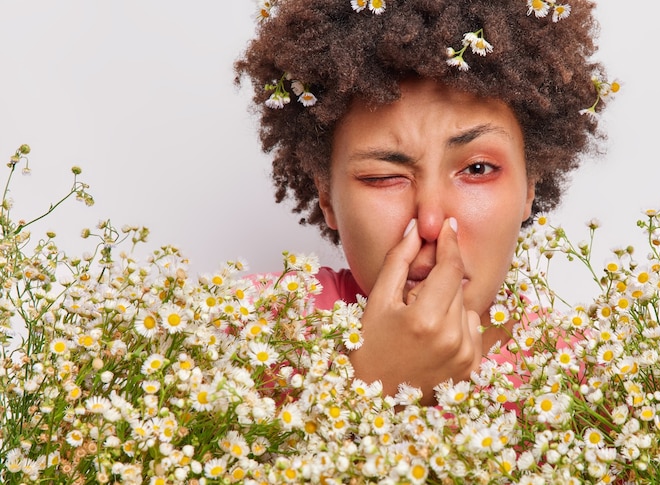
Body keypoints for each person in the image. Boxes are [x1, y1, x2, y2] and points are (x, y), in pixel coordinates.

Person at [235, 0, 606, 406]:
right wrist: (377, 386)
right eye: (383, 177)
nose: (430, 223)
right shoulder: (243, 327)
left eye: (478, 169)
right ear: (326, 196)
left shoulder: (593, 381)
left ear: (530, 186)